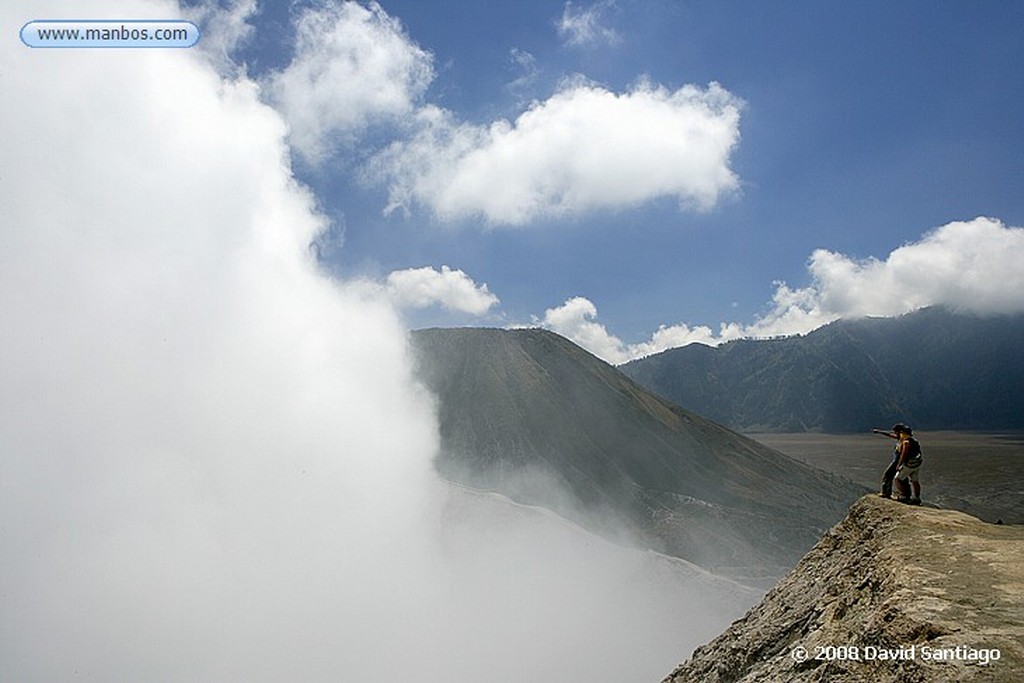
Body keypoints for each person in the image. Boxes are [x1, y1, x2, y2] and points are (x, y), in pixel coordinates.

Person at [872, 423, 922, 503]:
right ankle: (912, 496)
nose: (894, 433)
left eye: (896, 432)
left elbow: (903, 454)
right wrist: (879, 432)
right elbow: (889, 435)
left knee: (889, 476)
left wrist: (899, 464)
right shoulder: (906, 439)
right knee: (910, 480)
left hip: (899, 462)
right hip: (913, 464)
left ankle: (888, 493)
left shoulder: (905, 441)